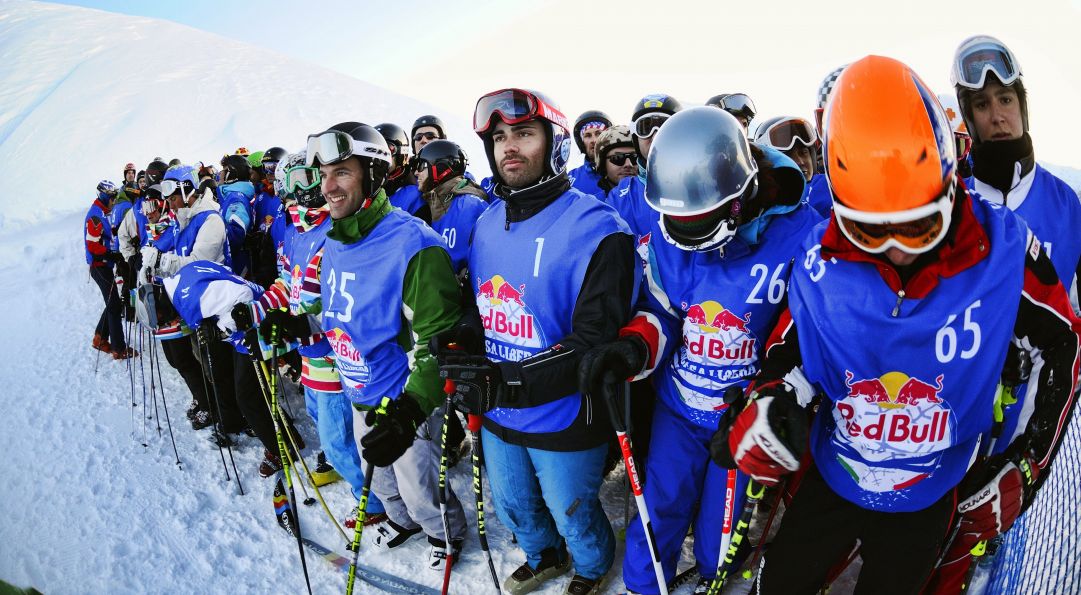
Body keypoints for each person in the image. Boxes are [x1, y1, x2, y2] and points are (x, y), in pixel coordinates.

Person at [712, 55, 1081, 594]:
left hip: (934, 486)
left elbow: (1061, 345)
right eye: (868, 233)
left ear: (951, 181)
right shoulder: (821, 256)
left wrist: (1023, 464)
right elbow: (794, 349)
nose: (896, 253)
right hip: (836, 471)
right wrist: (768, 401)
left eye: (919, 226)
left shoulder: (1003, 250)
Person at [580, 106, 821, 594]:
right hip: (680, 407)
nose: (691, 238)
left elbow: (804, 335)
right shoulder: (672, 238)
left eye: (702, 222)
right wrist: (634, 347)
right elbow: (666, 312)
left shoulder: (800, 234)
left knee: (719, 542)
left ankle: (716, 576)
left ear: (739, 193)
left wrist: (774, 395)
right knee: (657, 513)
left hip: (739, 418)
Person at [439, 88, 638, 594]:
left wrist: (505, 383)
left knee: (571, 508)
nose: (509, 146)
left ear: (554, 144)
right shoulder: (486, 222)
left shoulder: (598, 228)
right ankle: (542, 555)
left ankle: (591, 567)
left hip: (565, 410)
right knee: (513, 502)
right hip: (501, 406)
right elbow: (479, 304)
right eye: (500, 137)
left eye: (524, 134)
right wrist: (462, 338)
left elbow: (593, 339)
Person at [263, 122, 468, 569]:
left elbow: (440, 343)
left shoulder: (413, 244)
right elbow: (335, 312)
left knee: (419, 487)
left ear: (374, 174)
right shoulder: (336, 240)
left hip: (403, 401)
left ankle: (443, 533)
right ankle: (404, 521)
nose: (327, 187)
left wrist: (409, 411)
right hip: (359, 391)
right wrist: (299, 323)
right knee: (383, 483)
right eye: (323, 173)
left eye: (342, 173)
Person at [928, 34, 1081, 592]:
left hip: (1031, 418)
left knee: (1002, 542)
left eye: (1006, 101)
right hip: (954, 403)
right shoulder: (951, 199)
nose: (998, 117)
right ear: (968, 117)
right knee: (938, 538)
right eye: (983, 106)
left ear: (1023, 104)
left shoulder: (1067, 205)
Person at [606, 94, 683, 237]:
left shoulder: (700, 184)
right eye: (645, 127)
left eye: (665, 126)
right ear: (636, 138)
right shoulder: (620, 198)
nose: (655, 136)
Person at [86, 180, 134, 359]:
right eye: (112, 198)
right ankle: (118, 348)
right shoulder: (96, 216)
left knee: (112, 303)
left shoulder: (101, 213)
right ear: (105, 197)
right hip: (100, 266)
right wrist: (111, 255)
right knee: (114, 305)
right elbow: (93, 246)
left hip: (103, 265)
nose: (114, 201)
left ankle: (100, 338)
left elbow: (104, 236)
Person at [217, 154, 256, 278]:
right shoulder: (231, 196)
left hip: (236, 267)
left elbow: (237, 232)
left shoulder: (236, 198)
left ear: (232, 173)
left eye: (224, 170)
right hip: (232, 264)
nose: (220, 174)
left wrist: (212, 237)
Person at [377, 122, 424, 216]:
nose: (379, 157)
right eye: (376, 150)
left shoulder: (415, 196)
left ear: (401, 155)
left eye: (387, 150)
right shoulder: (366, 188)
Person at [567, 110, 612, 200]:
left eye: (598, 133)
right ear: (581, 142)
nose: (594, 140)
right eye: (588, 135)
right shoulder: (571, 178)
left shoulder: (625, 168)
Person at [592, 125, 636, 196]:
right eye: (618, 158)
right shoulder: (595, 205)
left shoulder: (657, 202)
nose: (628, 164)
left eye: (634, 157)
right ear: (603, 166)